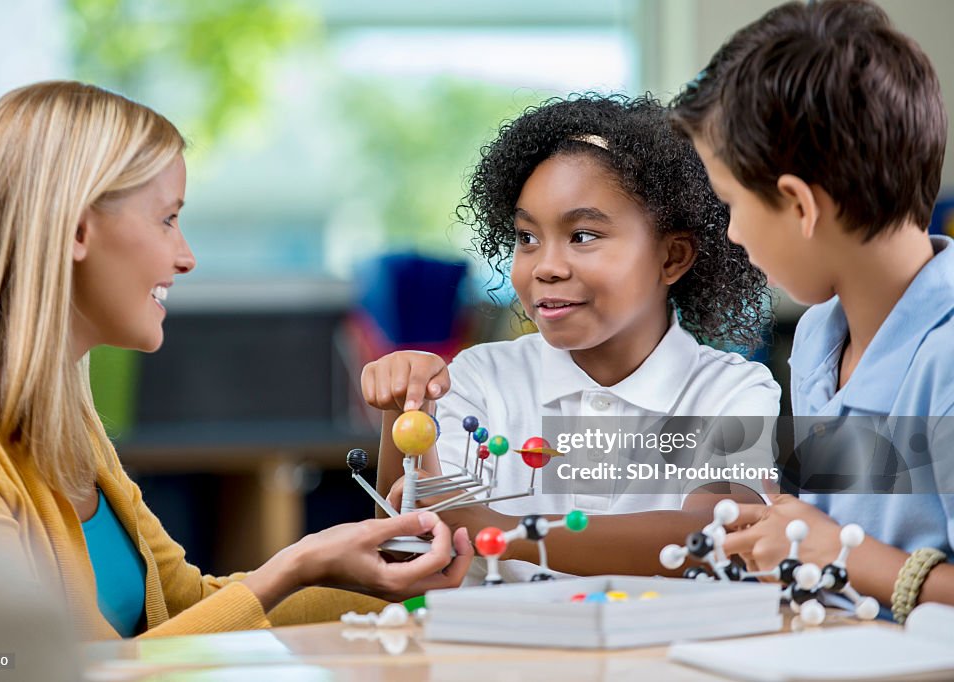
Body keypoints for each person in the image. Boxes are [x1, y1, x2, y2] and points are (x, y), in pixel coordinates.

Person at [0, 80, 471, 640]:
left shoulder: (67, 426)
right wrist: (294, 565)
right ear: (76, 229)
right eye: (167, 219)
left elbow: (184, 606)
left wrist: (361, 573)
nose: (186, 257)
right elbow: (27, 670)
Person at [363, 94, 780, 582]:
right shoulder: (476, 380)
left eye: (582, 236)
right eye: (527, 237)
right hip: (492, 656)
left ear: (672, 257)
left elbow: (715, 536)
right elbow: (402, 563)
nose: (547, 267)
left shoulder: (733, 390)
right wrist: (404, 410)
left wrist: (499, 527)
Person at [670, 0, 953, 620]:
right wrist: (785, 534)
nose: (734, 235)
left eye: (731, 204)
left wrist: (841, 555)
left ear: (799, 204)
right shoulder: (820, 335)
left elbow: (847, 553)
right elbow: (832, 539)